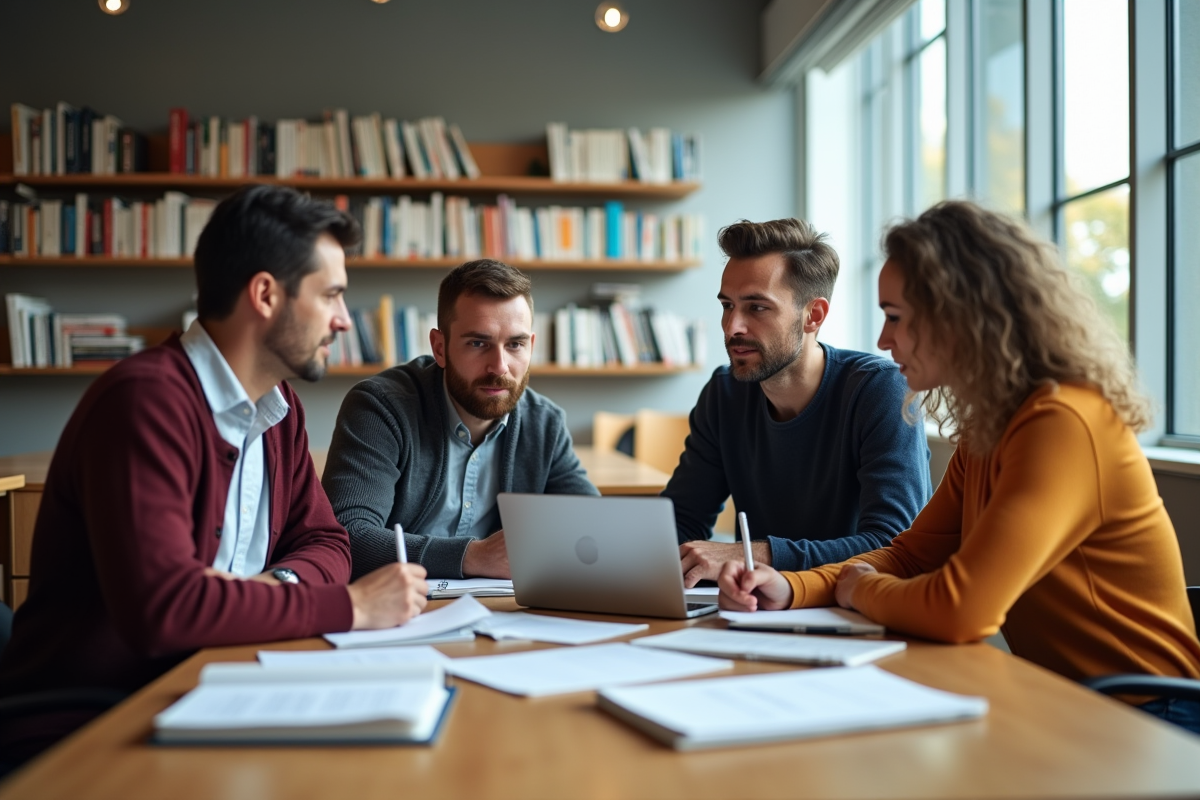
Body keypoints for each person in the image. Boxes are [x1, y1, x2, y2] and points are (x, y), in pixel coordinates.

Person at [719, 200, 1200, 734]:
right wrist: (791, 588)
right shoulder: (991, 428)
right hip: (1065, 705)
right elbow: (910, 553)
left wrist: (858, 588)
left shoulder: (1064, 422)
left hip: (1153, 716)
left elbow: (962, 609)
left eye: (896, 318)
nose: (883, 340)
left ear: (962, 318)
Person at [0, 185, 429, 767]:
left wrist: (270, 592)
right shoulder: (146, 402)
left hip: (217, 685)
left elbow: (327, 541)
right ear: (265, 295)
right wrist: (350, 607)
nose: (344, 321)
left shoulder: (279, 407)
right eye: (331, 295)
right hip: (93, 723)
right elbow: (168, 610)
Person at [665, 218, 932, 587]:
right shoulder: (724, 392)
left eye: (756, 308)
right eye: (727, 305)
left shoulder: (880, 390)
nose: (732, 327)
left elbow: (893, 547)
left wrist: (753, 554)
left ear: (813, 315)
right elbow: (682, 520)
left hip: (859, 612)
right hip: (759, 607)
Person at [323, 259, 598, 581]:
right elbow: (346, 536)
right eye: (478, 343)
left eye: (515, 345)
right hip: (398, 607)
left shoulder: (544, 422)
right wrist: (473, 556)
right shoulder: (381, 408)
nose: (499, 366)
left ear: (531, 347)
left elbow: (593, 529)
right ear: (440, 348)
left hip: (501, 612)